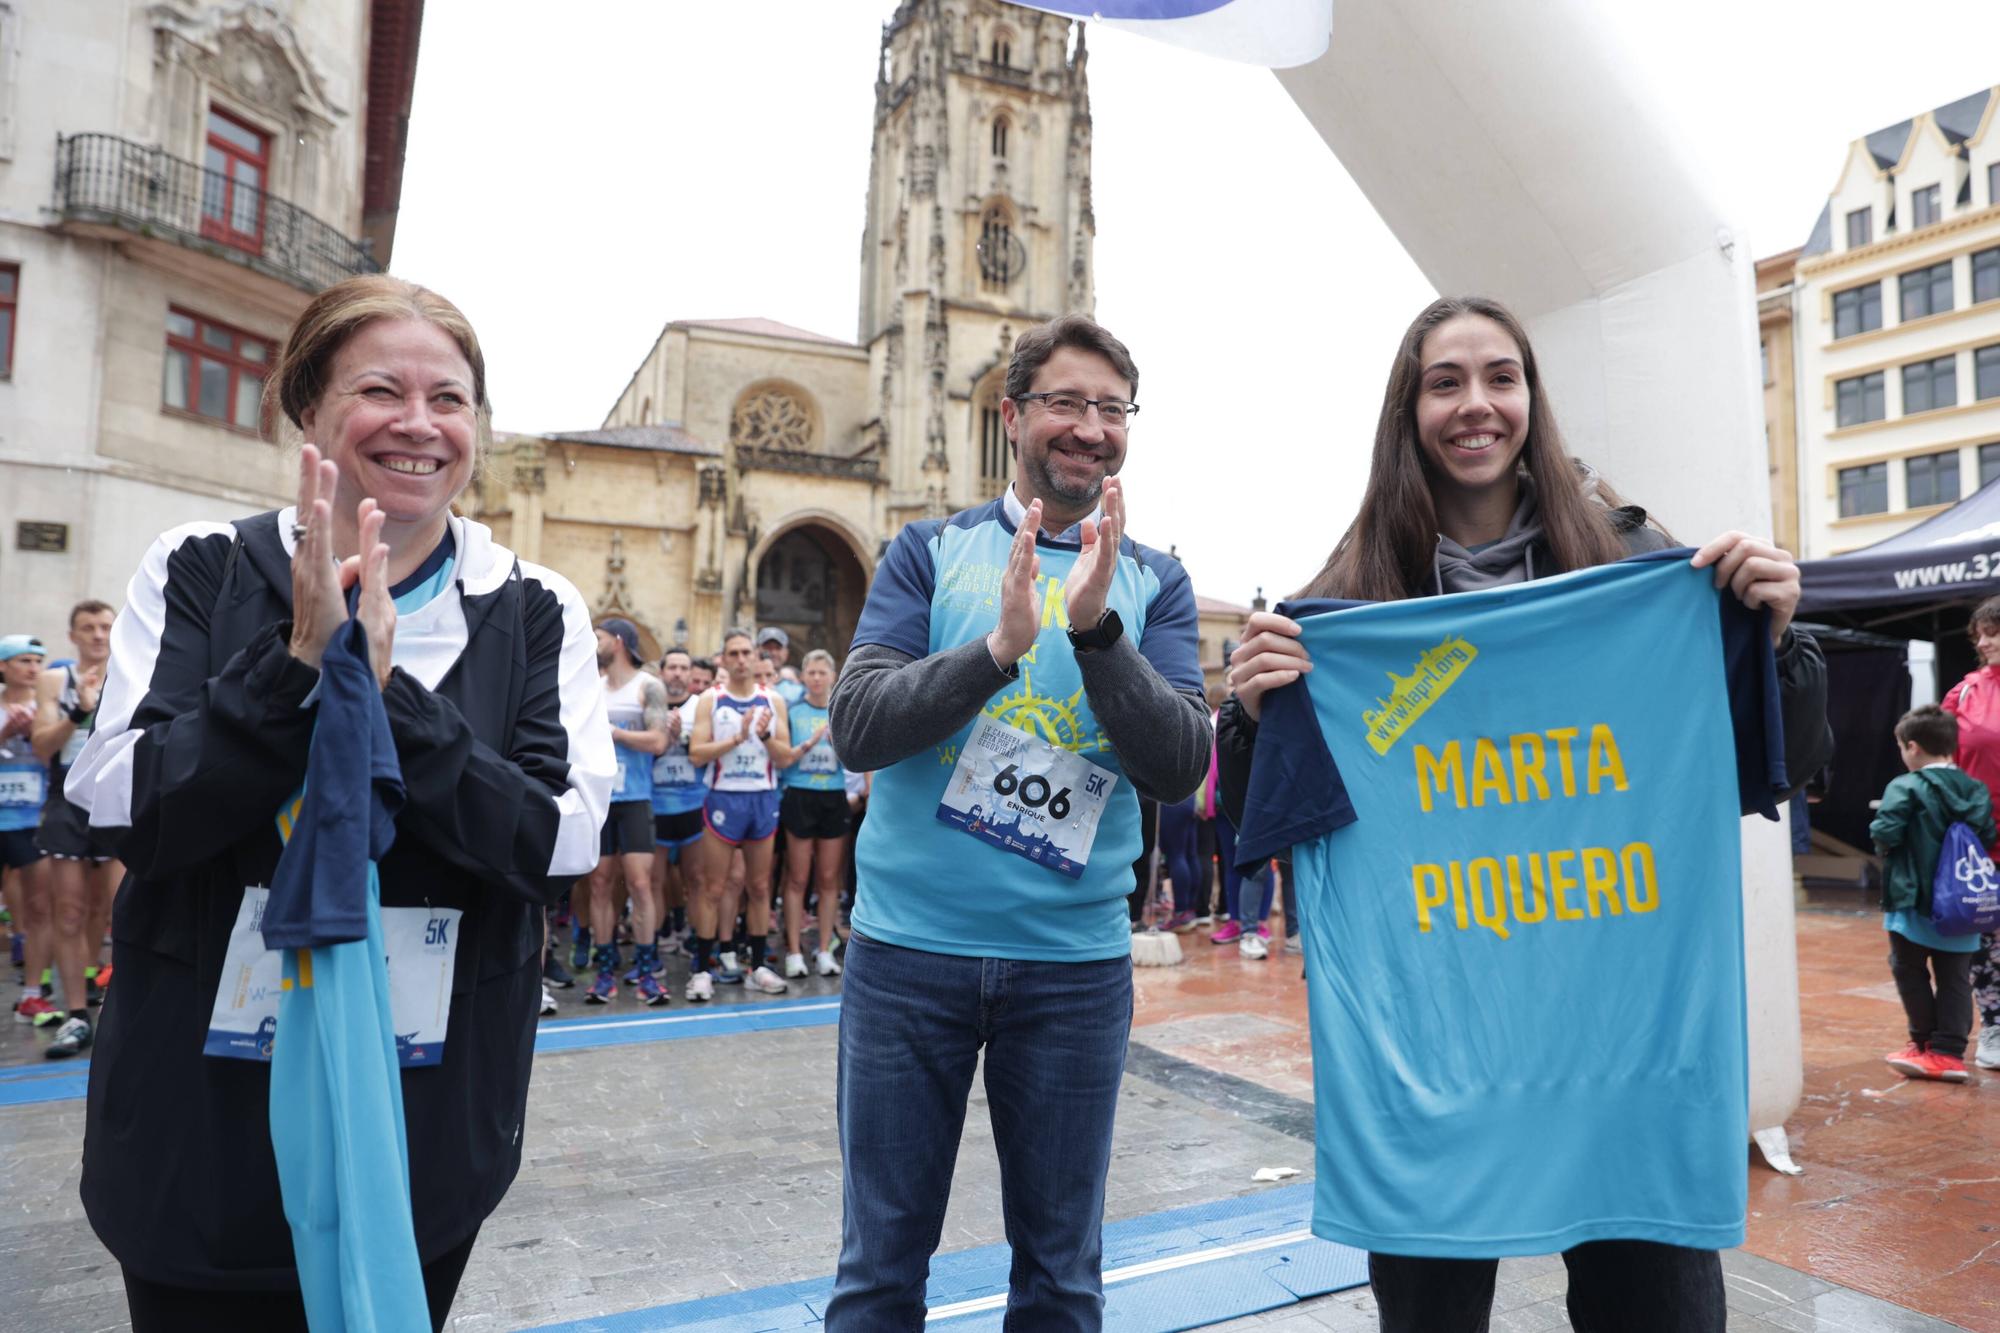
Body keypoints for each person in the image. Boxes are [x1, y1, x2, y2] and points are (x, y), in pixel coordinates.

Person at [1219, 295, 1833, 1333]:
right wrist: (1248, 713)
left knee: (1659, 1313)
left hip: (1620, 1041)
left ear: (1530, 399)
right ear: (1405, 411)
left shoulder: (1638, 566)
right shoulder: (1350, 600)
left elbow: (1778, 763)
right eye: (1444, 382)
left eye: (1498, 377)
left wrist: (1773, 640)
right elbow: (1271, 817)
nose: (1475, 405)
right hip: (1433, 1049)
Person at [61, 274, 613, 1329]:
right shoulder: (201, 567)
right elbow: (119, 798)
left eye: (449, 398)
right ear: (306, 408)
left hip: (424, 1118)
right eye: (380, 390)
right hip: (203, 1129)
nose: (419, 423)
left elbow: (560, 838)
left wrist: (389, 698)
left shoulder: (530, 606)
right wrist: (300, 663)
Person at [825, 315, 1210, 1327]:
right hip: (908, 958)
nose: (1089, 427)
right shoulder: (926, 551)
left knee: (1059, 1276)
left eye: (1111, 409)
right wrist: (995, 649)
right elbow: (858, 726)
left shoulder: (1153, 581)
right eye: (1065, 402)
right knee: (877, 1270)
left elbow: (1177, 761)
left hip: (1072, 974)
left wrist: (1093, 632)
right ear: (1011, 415)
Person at [1869, 704, 1993, 1083]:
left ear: (1912, 747)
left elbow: (1885, 833)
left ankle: (1923, 1044)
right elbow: (1987, 836)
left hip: (1913, 900)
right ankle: (1949, 1052)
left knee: (1908, 968)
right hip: (1964, 904)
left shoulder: (1905, 786)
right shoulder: (1975, 789)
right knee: (1955, 976)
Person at [31, 602, 122, 1053]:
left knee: (119, 911)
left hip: (115, 801)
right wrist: (78, 711)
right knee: (68, 911)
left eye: (105, 626)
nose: (98, 635)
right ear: (73, 635)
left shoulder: (130, 672)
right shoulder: (54, 680)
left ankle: (121, 1011)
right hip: (68, 804)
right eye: (87, 628)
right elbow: (42, 745)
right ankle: (75, 1014)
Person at [686, 628, 791, 999]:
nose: (742, 659)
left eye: (747, 652)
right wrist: (736, 737)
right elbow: (696, 754)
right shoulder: (709, 700)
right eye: (734, 653)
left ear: (756, 656)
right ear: (724, 659)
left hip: (761, 798)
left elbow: (785, 758)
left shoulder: (773, 700)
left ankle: (758, 965)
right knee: (713, 888)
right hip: (723, 798)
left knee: (760, 886)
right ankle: (701, 969)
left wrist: (762, 737)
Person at [579, 617, 670, 1005]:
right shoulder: (591, 688)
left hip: (634, 798)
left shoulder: (648, 687)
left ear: (617, 642)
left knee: (639, 883)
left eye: (598, 637)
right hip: (600, 799)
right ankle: (604, 970)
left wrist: (615, 734)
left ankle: (647, 969)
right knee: (599, 883)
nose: (593, 642)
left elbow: (658, 740)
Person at [1939, 597, 2000, 1071]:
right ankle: (1995, 1026)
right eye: (1978, 635)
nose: (1982, 642)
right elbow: (1941, 759)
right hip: (1982, 841)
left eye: (1992, 632)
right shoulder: (1964, 693)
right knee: (1986, 942)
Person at [777, 648, 847, 977]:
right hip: (800, 795)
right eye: (812, 673)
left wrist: (838, 745)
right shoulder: (793, 711)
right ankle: (793, 951)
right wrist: (809, 744)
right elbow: (782, 757)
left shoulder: (842, 711)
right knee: (797, 877)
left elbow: (857, 760)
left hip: (833, 796)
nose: (817, 678)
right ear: (803, 676)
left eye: (823, 672)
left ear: (833, 676)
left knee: (829, 878)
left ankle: (823, 949)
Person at [1, 635, 57, 1030]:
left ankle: (32, 993)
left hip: (31, 821)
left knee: (41, 908)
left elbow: (56, 757)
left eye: (38, 660)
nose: (33, 667)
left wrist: (37, 736)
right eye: (23, 660)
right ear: (4, 666)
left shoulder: (46, 707)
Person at [649, 646, 705, 960]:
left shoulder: (701, 706)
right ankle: (655, 942)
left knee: (696, 879)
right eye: (672, 667)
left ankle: (696, 940)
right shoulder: (649, 705)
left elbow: (707, 749)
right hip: (656, 805)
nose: (678, 673)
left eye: (684, 668)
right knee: (654, 880)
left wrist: (681, 739)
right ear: (662, 671)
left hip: (693, 803)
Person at [758, 626, 806, 706]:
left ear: (786, 652)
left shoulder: (798, 690)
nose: (773, 653)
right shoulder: (747, 684)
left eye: (778, 648)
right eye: (768, 648)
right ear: (758, 650)